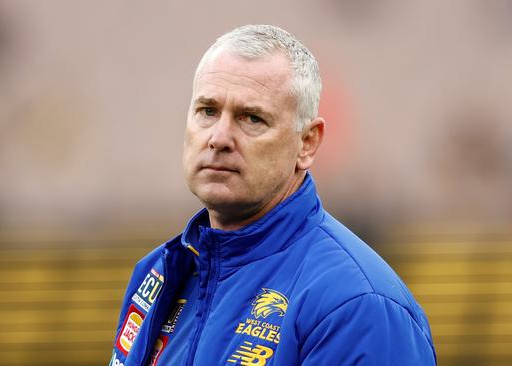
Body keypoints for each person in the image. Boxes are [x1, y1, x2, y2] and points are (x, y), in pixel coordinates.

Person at [109, 24, 436, 366]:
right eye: (207, 111)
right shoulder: (157, 275)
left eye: (251, 118)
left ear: (307, 143)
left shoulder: (358, 305)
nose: (219, 137)